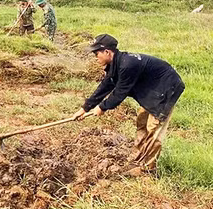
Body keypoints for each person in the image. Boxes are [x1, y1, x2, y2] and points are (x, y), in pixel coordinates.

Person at [73, 34, 185, 173]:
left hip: (167, 89)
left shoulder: (127, 65)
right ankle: (137, 158)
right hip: (152, 91)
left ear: (107, 52)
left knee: (153, 129)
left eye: (97, 54)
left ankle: (147, 169)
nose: (96, 57)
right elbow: (106, 85)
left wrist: (102, 107)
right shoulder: (115, 64)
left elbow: (120, 92)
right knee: (142, 122)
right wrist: (85, 108)